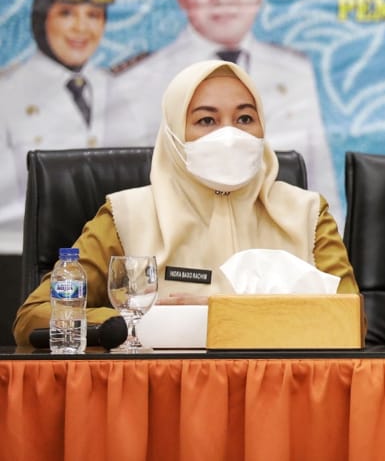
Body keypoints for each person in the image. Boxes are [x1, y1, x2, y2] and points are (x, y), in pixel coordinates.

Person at [12, 59, 356, 346]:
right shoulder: (126, 217)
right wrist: (136, 322)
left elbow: (350, 321)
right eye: (206, 120)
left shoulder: (307, 214)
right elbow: (35, 316)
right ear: (174, 134)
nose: (230, 135)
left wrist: (219, 315)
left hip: (279, 392)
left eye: (245, 119)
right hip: (160, 393)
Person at [109, 0, 343, 225]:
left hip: (281, 249)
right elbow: (127, 202)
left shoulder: (294, 72)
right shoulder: (136, 82)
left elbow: (322, 195)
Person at [0, 0, 128, 254]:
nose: (81, 28)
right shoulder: (6, 94)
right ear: (41, 17)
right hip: (22, 254)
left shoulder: (118, 88)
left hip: (108, 253)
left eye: (94, 15)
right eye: (67, 13)